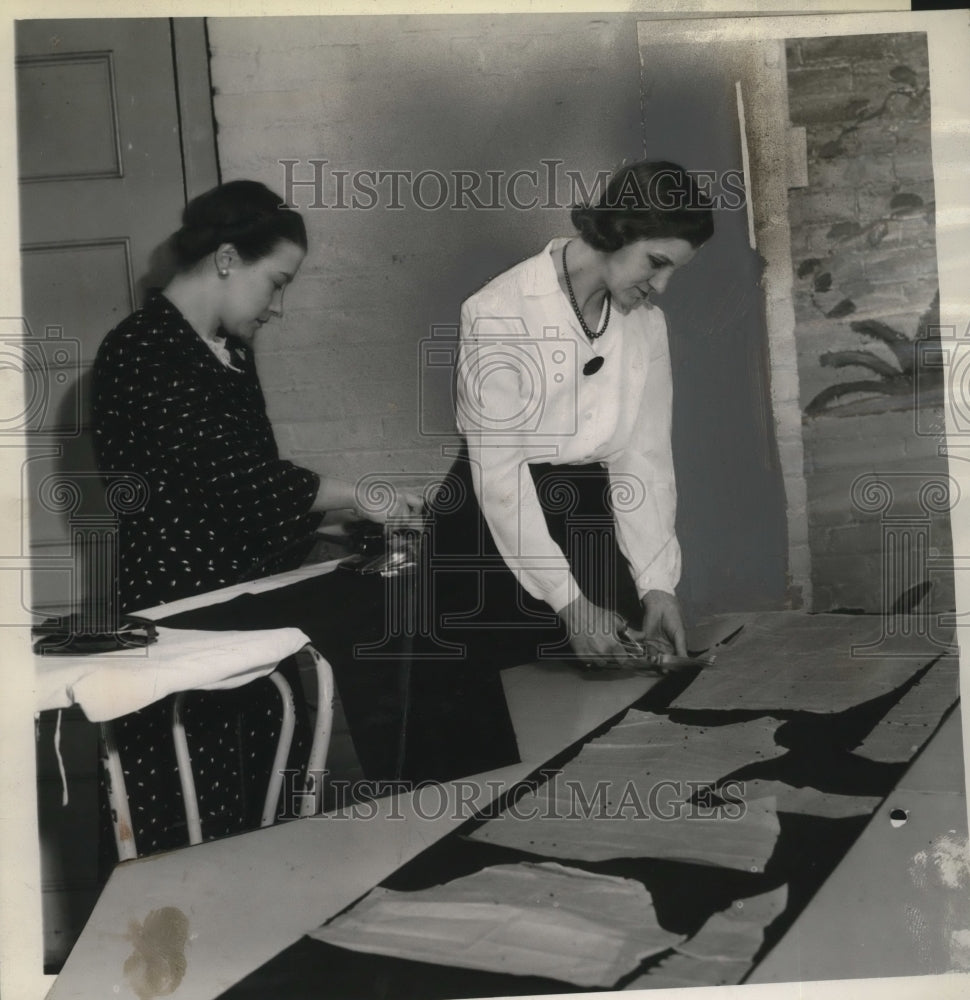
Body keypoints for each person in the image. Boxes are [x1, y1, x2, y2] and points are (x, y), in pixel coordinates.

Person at [91, 180, 421, 858]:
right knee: (194, 828)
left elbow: (238, 498)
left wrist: (335, 532)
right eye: (275, 283)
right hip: (183, 629)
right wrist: (367, 497)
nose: (278, 307)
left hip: (245, 629)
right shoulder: (142, 349)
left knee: (264, 815)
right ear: (225, 259)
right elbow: (235, 484)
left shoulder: (227, 354)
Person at [431, 161, 713, 670]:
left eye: (674, 269)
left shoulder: (647, 326)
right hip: (493, 531)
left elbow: (643, 460)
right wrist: (568, 601)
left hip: (587, 517)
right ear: (619, 232)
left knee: (629, 692)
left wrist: (656, 585)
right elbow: (499, 476)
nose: (663, 285)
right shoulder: (497, 311)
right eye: (656, 262)